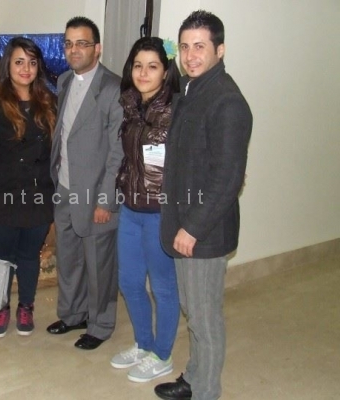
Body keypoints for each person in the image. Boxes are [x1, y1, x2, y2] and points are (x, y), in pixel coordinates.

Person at [154, 10, 253, 400]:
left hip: (203, 233)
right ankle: (194, 378)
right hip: (186, 223)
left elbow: (227, 179)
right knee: (194, 313)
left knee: (204, 319)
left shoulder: (227, 101)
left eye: (200, 46)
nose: (190, 55)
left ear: (220, 49)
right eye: (184, 47)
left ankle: (206, 392)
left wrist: (192, 228)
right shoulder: (194, 90)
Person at [0, 37, 56, 338]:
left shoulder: (49, 103)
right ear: (8, 65)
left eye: (32, 62)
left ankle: (26, 306)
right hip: (0, 198)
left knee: (29, 256)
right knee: (2, 258)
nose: (26, 68)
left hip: (39, 198)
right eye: (19, 62)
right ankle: (1, 306)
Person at [46, 16, 124, 350]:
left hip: (95, 195)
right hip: (65, 189)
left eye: (82, 43)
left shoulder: (114, 88)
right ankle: (73, 314)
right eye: (68, 43)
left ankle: (101, 324)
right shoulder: (64, 81)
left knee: (99, 265)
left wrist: (107, 200)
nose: (73, 50)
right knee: (69, 259)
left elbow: (118, 152)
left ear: (97, 48)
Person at [110, 36, 181, 383]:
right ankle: (143, 344)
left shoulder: (178, 110)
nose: (143, 72)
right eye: (138, 65)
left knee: (163, 288)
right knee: (129, 281)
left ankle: (162, 355)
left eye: (152, 66)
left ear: (165, 72)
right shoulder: (131, 105)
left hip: (160, 213)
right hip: (130, 209)